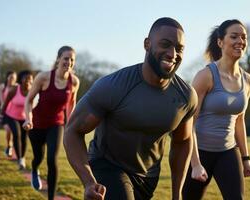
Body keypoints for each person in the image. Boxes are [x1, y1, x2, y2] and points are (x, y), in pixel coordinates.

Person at [64, 17, 197, 200]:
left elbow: (182, 142)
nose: (172, 53)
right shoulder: (113, 86)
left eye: (179, 48)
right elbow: (73, 130)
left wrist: (177, 195)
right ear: (147, 44)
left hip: (148, 178)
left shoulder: (185, 97)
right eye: (165, 44)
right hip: (107, 166)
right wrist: (88, 181)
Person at [182, 19, 250, 200]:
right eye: (234, 36)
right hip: (199, 151)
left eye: (243, 37)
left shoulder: (248, 81)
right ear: (220, 42)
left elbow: (239, 120)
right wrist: (196, 163)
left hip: (228, 152)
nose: (240, 41)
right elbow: (189, 121)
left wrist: (246, 159)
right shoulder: (205, 76)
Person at [23, 46, 80, 200]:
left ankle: (50, 198)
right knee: (38, 157)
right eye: (66, 58)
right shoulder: (44, 77)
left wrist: (71, 125)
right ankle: (34, 169)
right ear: (58, 59)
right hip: (36, 124)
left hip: (56, 124)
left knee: (51, 159)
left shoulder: (74, 82)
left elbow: (71, 104)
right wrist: (28, 119)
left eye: (72, 59)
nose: (69, 62)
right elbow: (28, 100)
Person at [0, 70, 33, 169]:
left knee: (24, 138)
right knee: (16, 135)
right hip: (11, 116)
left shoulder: (32, 91)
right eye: (26, 78)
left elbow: (33, 106)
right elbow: (5, 103)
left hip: (24, 118)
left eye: (30, 79)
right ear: (21, 80)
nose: (28, 81)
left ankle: (22, 157)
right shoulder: (14, 90)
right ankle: (20, 159)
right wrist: (1, 116)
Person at [0, 71, 17, 157]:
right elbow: (2, 101)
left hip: (14, 113)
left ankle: (13, 148)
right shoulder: (2, 87)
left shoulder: (17, 87)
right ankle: (9, 145)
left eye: (14, 77)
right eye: (11, 77)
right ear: (7, 78)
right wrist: (3, 111)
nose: (12, 79)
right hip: (5, 112)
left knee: (14, 132)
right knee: (8, 130)